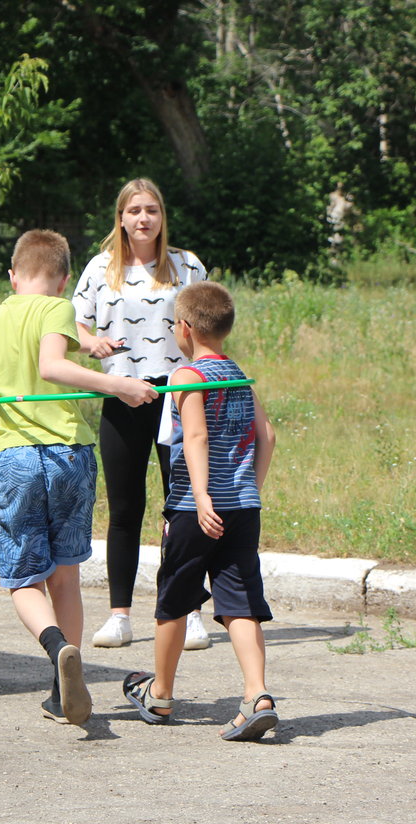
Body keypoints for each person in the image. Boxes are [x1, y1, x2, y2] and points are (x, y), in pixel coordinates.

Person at [0, 229, 157, 725]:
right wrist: (117, 385)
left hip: (14, 460)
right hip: (69, 455)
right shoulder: (58, 307)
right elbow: (51, 366)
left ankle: (55, 648)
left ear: (12, 275)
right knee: (65, 576)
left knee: (24, 579)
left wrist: (5, 396)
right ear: (65, 279)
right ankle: (63, 682)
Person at [121, 281, 279, 741]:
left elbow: (195, 436)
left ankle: (160, 694)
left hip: (195, 509)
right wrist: (247, 488)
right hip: (242, 507)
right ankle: (257, 695)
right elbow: (268, 436)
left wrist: (204, 496)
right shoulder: (238, 374)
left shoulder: (186, 376)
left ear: (184, 328)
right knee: (240, 603)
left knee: (174, 598)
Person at [72, 178, 212, 651]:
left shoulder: (187, 265)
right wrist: (92, 343)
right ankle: (120, 616)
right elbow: (74, 324)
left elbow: (209, 325)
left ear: (162, 216)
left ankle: (189, 612)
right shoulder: (99, 268)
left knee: (184, 506)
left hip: (179, 395)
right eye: (134, 211)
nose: (143, 218)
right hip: (122, 393)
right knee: (125, 508)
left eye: (151, 210)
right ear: (121, 218)